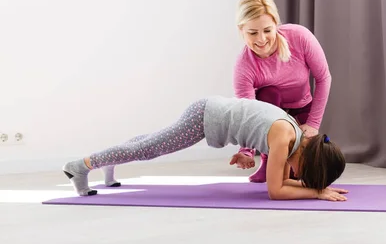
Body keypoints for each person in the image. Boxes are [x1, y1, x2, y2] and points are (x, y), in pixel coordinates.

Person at [62, 96, 347, 201]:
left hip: (207, 110)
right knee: (150, 148)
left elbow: (283, 181)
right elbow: (276, 191)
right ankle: (81, 166)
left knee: (149, 141)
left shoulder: (294, 136)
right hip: (203, 118)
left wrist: (314, 188)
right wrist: (316, 192)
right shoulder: (286, 139)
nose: (297, 177)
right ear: (306, 162)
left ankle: (111, 164)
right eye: (304, 175)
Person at [232, 0, 332, 183]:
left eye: (267, 30)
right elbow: (247, 113)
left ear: (276, 25)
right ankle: (268, 161)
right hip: (271, 114)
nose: (261, 40)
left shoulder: (300, 37)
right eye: (252, 33)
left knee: (308, 171)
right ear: (241, 31)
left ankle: (290, 161)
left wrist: (313, 125)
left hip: (302, 107)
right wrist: (246, 150)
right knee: (269, 93)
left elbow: (323, 78)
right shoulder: (243, 67)